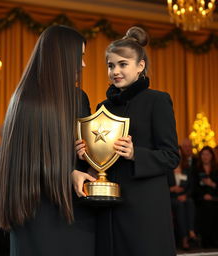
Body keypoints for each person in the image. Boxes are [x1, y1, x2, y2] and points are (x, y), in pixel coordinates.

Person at [0, 25, 96, 256]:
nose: (83, 65)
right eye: (80, 57)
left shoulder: (24, 99)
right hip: (53, 214)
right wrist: (70, 172)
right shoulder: (44, 100)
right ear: (62, 57)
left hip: (52, 212)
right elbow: (24, 165)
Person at [76, 26, 179, 256]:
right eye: (111, 65)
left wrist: (135, 154)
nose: (115, 71)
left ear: (140, 66)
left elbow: (171, 156)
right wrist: (85, 155)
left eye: (123, 64)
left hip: (145, 210)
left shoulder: (158, 101)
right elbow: (101, 159)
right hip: (108, 207)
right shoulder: (103, 107)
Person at [168, 146, 198, 250]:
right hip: (171, 198)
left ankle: (191, 231)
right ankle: (185, 239)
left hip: (184, 197)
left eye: (180, 154)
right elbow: (162, 188)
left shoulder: (187, 169)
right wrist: (172, 189)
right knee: (180, 205)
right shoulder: (168, 170)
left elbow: (191, 187)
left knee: (189, 202)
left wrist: (185, 195)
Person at [192, 146, 218, 248]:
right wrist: (203, 195)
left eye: (207, 154)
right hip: (200, 199)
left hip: (215, 198)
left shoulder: (216, 169)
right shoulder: (196, 170)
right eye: (203, 154)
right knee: (206, 207)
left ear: (212, 156)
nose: (205, 157)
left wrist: (212, 184)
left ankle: (214, 239)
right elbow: (194, 187)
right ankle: (206, 240)